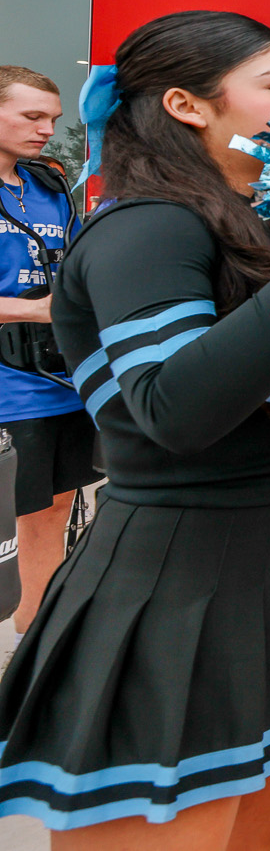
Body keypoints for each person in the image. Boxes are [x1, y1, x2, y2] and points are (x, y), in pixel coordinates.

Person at [0, 11, 270, 841]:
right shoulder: (148, 227)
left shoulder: (257, 228)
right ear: (189, 105)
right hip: (182, 586)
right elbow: (175, 412)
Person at [0, 68, 87, 651]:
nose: (47, 129)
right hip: (8, 385)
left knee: (52, 510)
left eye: (53, 118)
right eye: (32, 115)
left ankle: (35, 635)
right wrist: (36, 312)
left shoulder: (50, 185)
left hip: (61, 380)